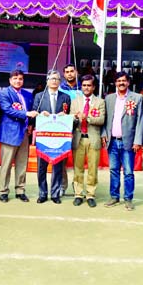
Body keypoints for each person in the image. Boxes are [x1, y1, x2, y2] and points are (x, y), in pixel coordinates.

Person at [102, 71, 143, 211]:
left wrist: (138, 140)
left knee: (128, 172)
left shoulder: (137, 98)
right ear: (115, 83)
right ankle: (114, 196)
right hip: (112, 141)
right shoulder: (109, 98)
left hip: (128, 142)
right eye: (118, 81)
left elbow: (140, 121)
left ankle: (128, 199)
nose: (121, 83)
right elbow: (105, 119)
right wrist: (104, 133)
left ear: (128, 82)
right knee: (113, 170)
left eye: (124, 81)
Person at [0, 69, 38, 202]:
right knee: (6, 164)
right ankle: (4, 191)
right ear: (10, 80)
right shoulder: (4, 93)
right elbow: (8, 110)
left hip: (25, 133)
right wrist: (26, 114)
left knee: (22, 164)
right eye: (15, 79)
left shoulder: (27, 94)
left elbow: (31, 111)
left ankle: (20, 190)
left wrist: (31, 123)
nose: (18, 81)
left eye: (20, 79)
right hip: (9, 133)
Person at [33, 70, 71, 204]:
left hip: (59, 138)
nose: (54, 81)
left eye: (57, 79)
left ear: (60, 82)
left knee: (58, 166)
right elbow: (34, 113)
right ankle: (42, 193)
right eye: (52, 78)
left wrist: (65, 117)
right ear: (47, 81)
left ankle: (55, 193)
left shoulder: (65, 97)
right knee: (41, 167)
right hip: (44, 137)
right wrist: (40, 114)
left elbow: (70, 117)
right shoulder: (39, 96)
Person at [70, 75, 105, 207]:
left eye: (89, 85)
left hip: (93, 139)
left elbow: (101, 120)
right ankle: (78, 194)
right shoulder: (75, 101)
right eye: (84, 85)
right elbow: (71, 119)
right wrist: (75, 118)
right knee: (77, 168)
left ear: (93, 87)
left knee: (92, 169)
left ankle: (90, 194)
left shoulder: (100, 102)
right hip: (78, 138)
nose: (86, 88)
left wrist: (87, 118)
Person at [59, 63, 81, 195]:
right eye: (67, 72)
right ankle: (62, 186)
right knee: (61, 160)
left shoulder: (83, 87)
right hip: (64, 127)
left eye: (72, 71)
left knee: (78, 160)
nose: (69, 74)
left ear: (76, 72)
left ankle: (77, 187)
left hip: (79, 128)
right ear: (64, 74)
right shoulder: (60, 89)